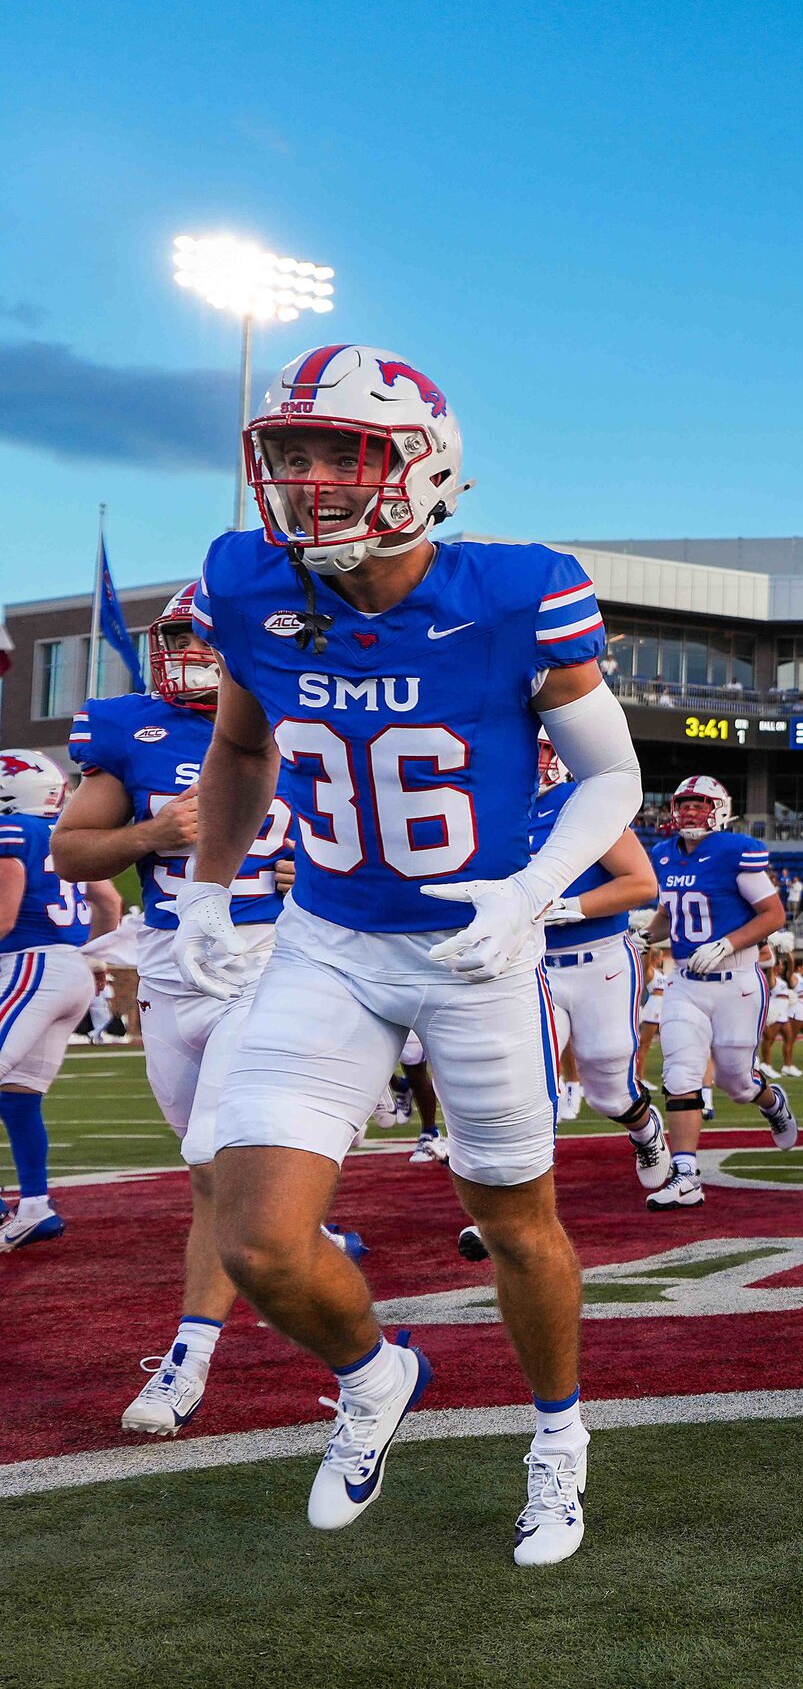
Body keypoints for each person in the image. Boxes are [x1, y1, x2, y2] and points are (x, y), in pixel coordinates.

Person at [171, 341, 642, 1564]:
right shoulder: (244, 581)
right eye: (294, 453)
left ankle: (557, 1444)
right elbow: (238, 747)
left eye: (346, 453)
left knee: (518, 1222)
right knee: (259, 1241)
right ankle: (376, 1375)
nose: (313, 480)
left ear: (424, 470)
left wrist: (532, 894)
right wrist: (208, 892)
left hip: (475, 949)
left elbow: (611, 775)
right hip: (329, 937)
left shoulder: (516, 591)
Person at [56, 591, 299, 1425]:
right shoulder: (128, 727)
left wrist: (327, 879)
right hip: (168, 960)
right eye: (177, 639)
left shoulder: (308, 711)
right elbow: (69, 851)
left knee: (212, 1159)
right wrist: (148, 838)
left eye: (205, 638)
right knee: (214, 1178)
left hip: (273, 957)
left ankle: (187, 1360)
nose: (189, 652)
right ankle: (301, 1232)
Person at [644, 773, 798, 1209]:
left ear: (721, 810)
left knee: (737, 1083)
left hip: (737, 982)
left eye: (700, 805)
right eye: (684, 805)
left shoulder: (736, 850)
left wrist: (728, 943)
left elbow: (772, 915)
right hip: (685, 984)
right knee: (679, 1075)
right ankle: (687, 1174)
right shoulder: (663, 854)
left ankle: (771, 1101)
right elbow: (670, 912)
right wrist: (646, 936)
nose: (690, 813)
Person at [530, 735, 667, 1192]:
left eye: (544, 749)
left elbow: (642, 883)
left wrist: (568, 908)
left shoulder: (580, 800)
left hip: (600, 963)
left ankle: (646, 1131)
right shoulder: (491, 809)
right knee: (531, 1079)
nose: (533, 759)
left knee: (610, 1090)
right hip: (530, 965)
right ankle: (516, 1202)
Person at [1, 750, 122, 1251]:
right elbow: (109, 901)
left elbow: (4, 920)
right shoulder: (61, 835)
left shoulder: (11, 833)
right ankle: (34, 1207)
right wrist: (95, 964)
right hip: (70, 965)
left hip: (30, 963)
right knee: (17, 1094)